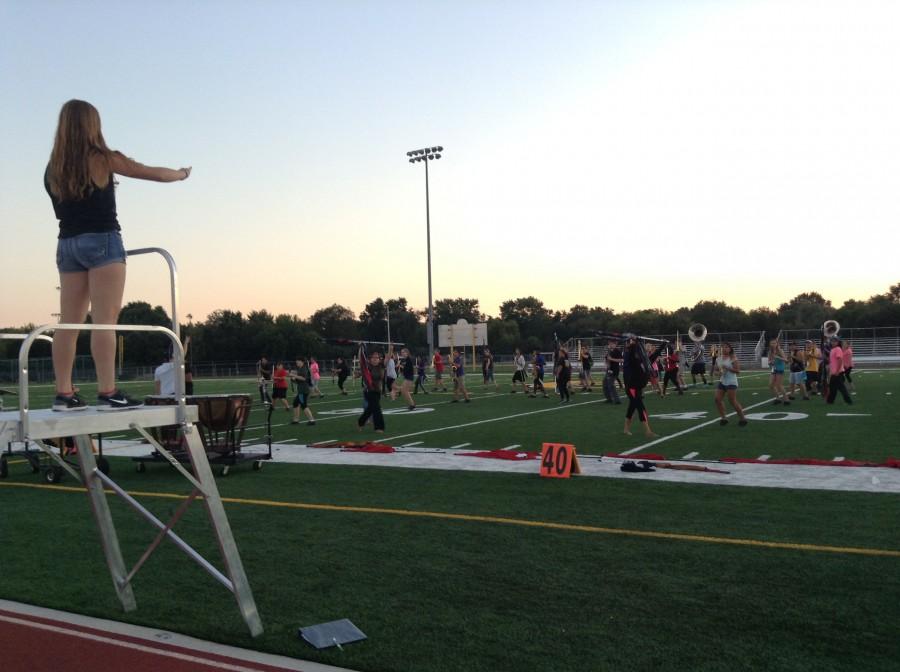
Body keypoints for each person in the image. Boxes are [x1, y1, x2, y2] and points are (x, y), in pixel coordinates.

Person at [46, 99, 190, 411]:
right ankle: (108, 392)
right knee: (104, 322)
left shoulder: (53, 168)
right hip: (103, 242)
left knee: (68, 324)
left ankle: (63, 394)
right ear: (92, 125)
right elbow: (152, 173)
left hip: (67, 245)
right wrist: (180, 173)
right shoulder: (103, 159)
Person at [622, 336, 656, 438]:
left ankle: (626, 429)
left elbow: (652, 357)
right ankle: (648, 431)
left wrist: (663, 345)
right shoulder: (629, 356)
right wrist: (635, 342)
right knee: (641, 408)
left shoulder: (640, 359)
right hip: (631, 388)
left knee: (632, 408)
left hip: (637, 387)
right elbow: (633, 351)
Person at [714, 343, 748, 426]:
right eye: (722, 347)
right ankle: (723, 418)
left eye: (726, 347)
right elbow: (715, 370)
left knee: (732, 401)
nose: (724, 349)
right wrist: (718, 373)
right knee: (717, 399)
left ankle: (742, 418)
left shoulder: (733, 358)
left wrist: (728, 368)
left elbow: (738, 371)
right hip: (722, 381)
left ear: (730, 349)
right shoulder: (718, 359)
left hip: (731, 382)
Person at [357, 348, 385, 432]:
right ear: (370, 359)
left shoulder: (381, 366)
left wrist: (391, 348)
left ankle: (360, 422)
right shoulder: (367, 367)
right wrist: (360, 349)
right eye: (374, 357)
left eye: (377, 357)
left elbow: (387, 358)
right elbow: (360, 359)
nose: (376, 359)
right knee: (377, 409)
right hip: (369, 391)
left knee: (370, 409)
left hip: (377, 391)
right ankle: (379, 427)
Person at [827, 336, 853, 405]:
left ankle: (848, 401)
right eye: (832, 341)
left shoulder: (838, 349)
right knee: (833, 387)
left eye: (835, 341)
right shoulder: (833, 349)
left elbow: (840, 360)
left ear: (838, 342)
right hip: (834, 372)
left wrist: (837, 371)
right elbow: (832, 362)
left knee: (841, 387)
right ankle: (830, 401)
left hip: (837, 372)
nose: (833, 342)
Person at [290, 357, 316, 425]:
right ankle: (296, 419)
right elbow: (298, 381)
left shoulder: (304, 368)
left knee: (303, 405)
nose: (297, 363)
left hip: (303, 391)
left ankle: (311, 420)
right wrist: (293, 379)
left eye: (297, 362)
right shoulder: (300, 369)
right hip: (301, 390)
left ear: (301, 362)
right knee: (296, 403)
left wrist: (294, 375)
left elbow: (303, 378)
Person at [768, 339, 789, 404]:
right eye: (772, 343)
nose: (773, 344)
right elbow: (769, 362)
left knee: (779, 385)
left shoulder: (780, 351)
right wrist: (771, 362)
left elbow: (786, 361)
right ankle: (778, 398)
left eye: (774, 343)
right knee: (771, 385)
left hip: (780, 369)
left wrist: (778, 357)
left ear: (777, 344)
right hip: (774, 369)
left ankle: (786, 399)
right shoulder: (770, 352)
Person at [603, 340, 622, 404]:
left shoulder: (617, 351)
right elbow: (607, 360)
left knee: (611, 385)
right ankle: (609, 398)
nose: (610, 344)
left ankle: (617, 400)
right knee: (605, 383)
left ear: (615, 344)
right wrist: (606, 364)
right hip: (609, 370)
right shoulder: (609, 351)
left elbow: (622, 360)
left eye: (611, 343)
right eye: (609, 343)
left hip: (614, 370)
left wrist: (611, 359)